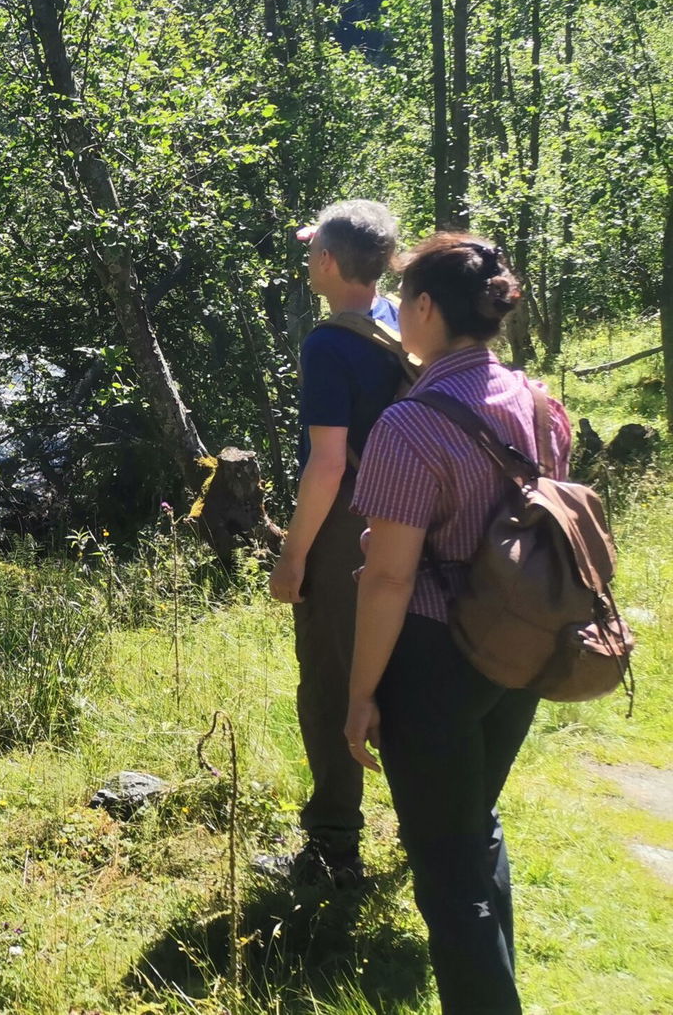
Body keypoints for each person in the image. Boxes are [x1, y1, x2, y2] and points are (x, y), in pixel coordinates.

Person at [345, 234, 570, 1015]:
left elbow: (389, 578)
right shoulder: (540, 402)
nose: (396, 314)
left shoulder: (408, 428)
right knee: (475, 826)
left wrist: (360, 694)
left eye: (401, 301)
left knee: (446, 870)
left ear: (428, 308)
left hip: (436, 658)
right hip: (524, 646)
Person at [257, 200, 406, 889]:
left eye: (312, 250)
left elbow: (326, 464)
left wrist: (293, 554)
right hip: (411, 523)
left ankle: (333, 849)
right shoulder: (404, 322)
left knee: (329, 683)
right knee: (403, 677)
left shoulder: (327, 344)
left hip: (348, 531)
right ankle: (427, 825)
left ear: (325, 261)